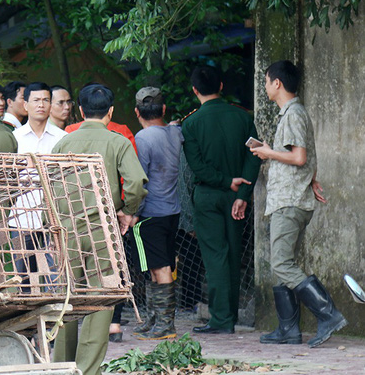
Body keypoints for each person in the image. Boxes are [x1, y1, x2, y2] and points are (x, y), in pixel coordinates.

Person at [51, 84, 148, 375]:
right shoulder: (117, 141)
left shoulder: (63, 142)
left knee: (68, 297)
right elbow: (136, 184)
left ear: (80, 111)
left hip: (68, 227)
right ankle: (87, 368)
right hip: (103, 228)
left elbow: (52, 183)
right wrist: (127, 213)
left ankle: (61, 365)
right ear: (111, 112)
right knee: (101, 298)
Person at [252, 60, 347, 347]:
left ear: (277, 83)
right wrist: (312, 179)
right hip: (292, 198)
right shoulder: (294, 114)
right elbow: (306, 159)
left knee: (281, 263)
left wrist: (268, 153)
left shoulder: (293, 114)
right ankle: (288, 329)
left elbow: (299, 157)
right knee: (283, 264)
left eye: (266, 81)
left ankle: (328, 315)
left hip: (289, 200)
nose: (265, 86)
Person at [181, 66, 261, 334]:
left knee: (216, 257)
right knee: (234, 253)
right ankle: (230, 317)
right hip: (237, 197)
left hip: (207, 195)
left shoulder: (191, 123)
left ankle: (221, 319)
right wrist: (242, 194)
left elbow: (198, 168)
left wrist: (225, 181)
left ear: (195, 91)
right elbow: (254, 155)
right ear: (222, 86)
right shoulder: (242, 117)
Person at [129, 87, 184, 340]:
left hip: (150, 213)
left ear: (137, 112)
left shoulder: (142, 138)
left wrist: (133, 212)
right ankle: (155, 319)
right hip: (172, 211)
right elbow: (174, 127)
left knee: (159, 267)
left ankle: (165, 325)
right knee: (156, 266)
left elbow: (139, 181)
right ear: (163, 109)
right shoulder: (175, 133)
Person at [9, 82, 67, 290]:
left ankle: (55, 322)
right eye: (35, 100)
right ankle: (27, 323)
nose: (41, 105)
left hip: (54, 217)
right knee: (24, 276)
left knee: (56, 276)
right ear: (25, 105)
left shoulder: (63, 139)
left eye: (45, 100)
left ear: (51, 105)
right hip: (21, 217)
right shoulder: (14, 139)